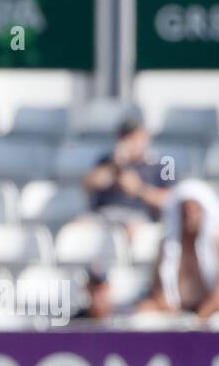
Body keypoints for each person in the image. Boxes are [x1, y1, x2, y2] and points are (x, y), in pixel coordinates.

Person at [138, 180, 219, 319]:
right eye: (186, 211)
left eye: (195, 211)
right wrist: (170, 310)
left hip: (209, 311)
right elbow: (157, 288)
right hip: (176, 311)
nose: (190, 216)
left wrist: (199, 318)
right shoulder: (166, 246)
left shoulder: (215, 243)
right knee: (144, 311)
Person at [84, 117, 173, 231]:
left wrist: (139, 189)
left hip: (138, 216)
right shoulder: (106, 160)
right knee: (76, 229)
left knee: (130, 229)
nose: (129, 142)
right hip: (103, 214)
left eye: (133, 137)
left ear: (145, 138)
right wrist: (115, 164)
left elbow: (169, 200)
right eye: (124, 137)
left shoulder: (164, 163)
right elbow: (89, 185)